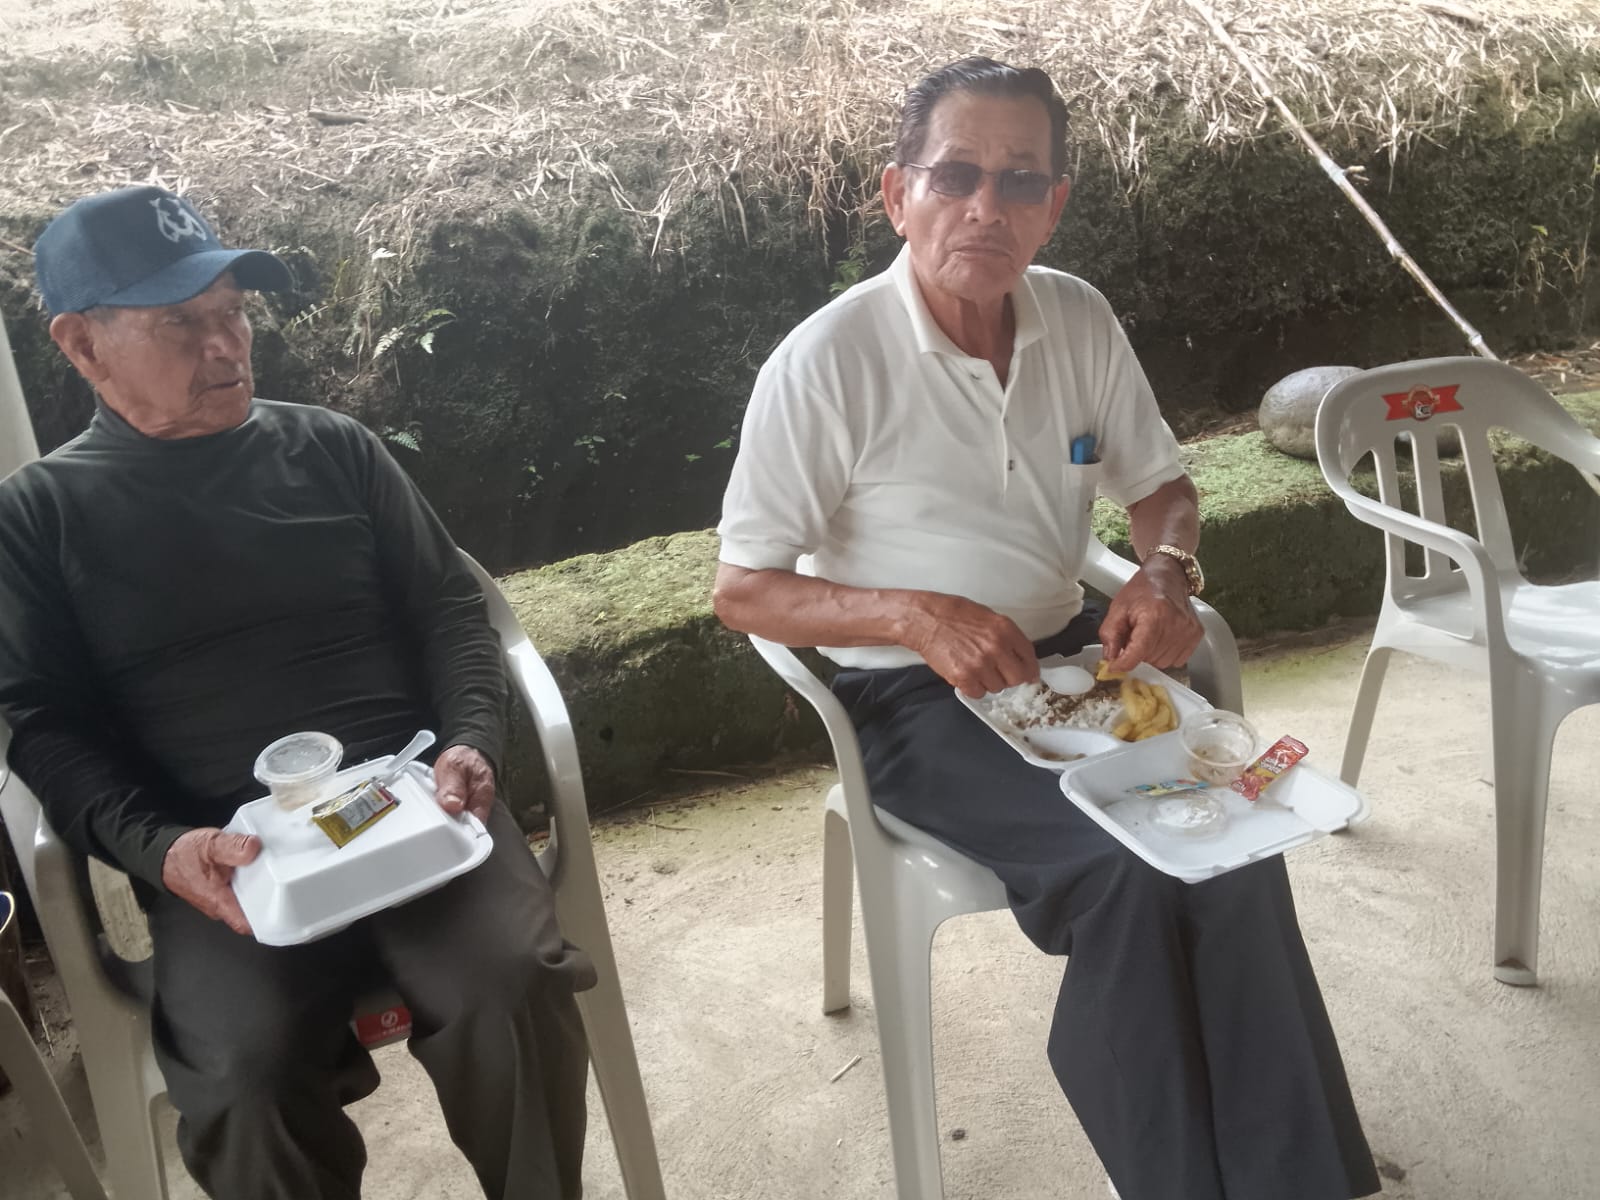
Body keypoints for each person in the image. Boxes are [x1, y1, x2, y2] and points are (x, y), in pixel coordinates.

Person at [714, 57, 1380, 1200]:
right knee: (1121, 872)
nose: (987, 206)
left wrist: (1164, 572)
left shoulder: (1076, 317)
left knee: (1228, 833)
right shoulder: (825, 364)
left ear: (1054, 204)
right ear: (897, 194)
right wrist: (914, 615)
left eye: (1019, 181)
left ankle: (1292, 1179)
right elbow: (743, 590)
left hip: (1070, 661)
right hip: (909, 699)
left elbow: (1161, 489)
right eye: (955, 175)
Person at [0, 186, 596, 1200]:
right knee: (244, 1082)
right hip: (225, 862)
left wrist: (470, 740)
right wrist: (160, 847)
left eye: (232, 311)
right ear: (82, 345)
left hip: (413, 807)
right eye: (179, 323)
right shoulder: (38, 517)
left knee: (508, 987)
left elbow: (449, 611)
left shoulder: (332, 449)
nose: (225, 345)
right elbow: (44, 726)